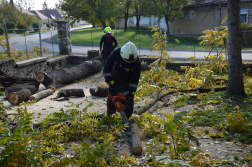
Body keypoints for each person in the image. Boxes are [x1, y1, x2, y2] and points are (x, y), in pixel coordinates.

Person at [103, 42, 141, 118]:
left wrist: (131, 94)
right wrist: (111, 83)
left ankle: (126, 119)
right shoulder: (115, 54)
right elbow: (106, 69)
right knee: (111, 98)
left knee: (128, 101)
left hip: (127, 81)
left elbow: (134, 81)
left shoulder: (137, 63)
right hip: (114, 78)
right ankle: (110, 116)